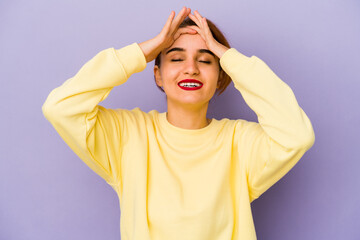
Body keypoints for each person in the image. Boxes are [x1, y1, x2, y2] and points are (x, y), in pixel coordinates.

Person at [42, 6, 315, 240]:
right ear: (158, 75)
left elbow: (297, 135)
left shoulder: (240, 143)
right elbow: (61, 107)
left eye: (206, 59)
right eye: (176, 57)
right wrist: (142, 53)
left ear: (221, 77)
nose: (191, 68)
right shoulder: (128, 136)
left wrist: (231, 59)